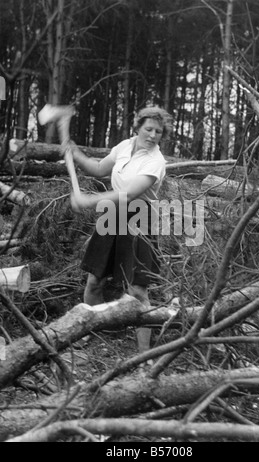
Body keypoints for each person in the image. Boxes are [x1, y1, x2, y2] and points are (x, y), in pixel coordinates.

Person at [70, 107, 173, 354]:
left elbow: (128, 195)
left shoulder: (156, 162)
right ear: (137, 127)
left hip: (140, 216)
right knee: (95, 280)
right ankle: (92, 331)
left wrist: (88, 200)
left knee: (137, 290)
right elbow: (97, 169)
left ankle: (143, 355)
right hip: (112, 215)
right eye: (148, 129)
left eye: (158, 132)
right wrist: (75, 153)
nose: (152, 135)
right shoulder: (124, 146)